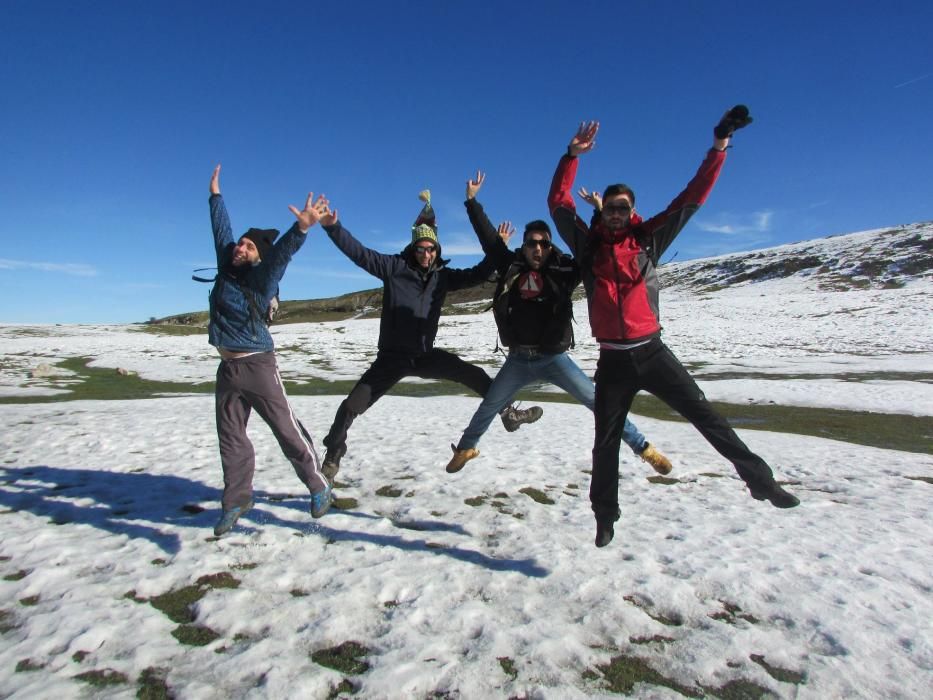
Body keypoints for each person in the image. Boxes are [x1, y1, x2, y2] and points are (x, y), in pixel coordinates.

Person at [547, 107, 800, 548]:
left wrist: (720, 144)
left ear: (633, 211)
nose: (616, 214)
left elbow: (692, 197)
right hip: (613, 360)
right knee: (605, 441)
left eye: (623, 208)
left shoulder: (649, 239)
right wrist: (572, 155)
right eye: (610, 208)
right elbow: (559, 204)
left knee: (708, 419)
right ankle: (605, 515)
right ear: (603, 210)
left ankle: (762, 482)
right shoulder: (587, 246)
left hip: (653, 354)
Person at [445, 172, 672, 476]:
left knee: (598, 403)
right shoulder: (511, 265)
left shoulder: (565, 269)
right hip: (518, 360)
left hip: (554, 359)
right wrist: (472, 202)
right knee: (489, 406)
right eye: (531, 244)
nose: (537, 249)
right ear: (523, 247)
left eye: (543, 243)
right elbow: (489, 240)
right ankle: (465, 449)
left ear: (550, 247)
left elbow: (592, 246)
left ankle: (644, 448)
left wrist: (597, 211)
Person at [318, 191, 543, 481]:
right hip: (392, 359)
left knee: (471, 373)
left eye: (431, 249)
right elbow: (360, 254)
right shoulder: (393, 268)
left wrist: (499, 246)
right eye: (421, 249)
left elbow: (479, 274)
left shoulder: (442, 277)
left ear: (437, 249)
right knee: (350, 407)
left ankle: (509, 414)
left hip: (424, 355)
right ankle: (334, 453)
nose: (426, 254)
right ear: (413, 248)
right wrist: (332, 227)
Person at [207, 165, 332, 536]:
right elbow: (221, 232)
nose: (239, 248)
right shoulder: (226, 268)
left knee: (284, 428)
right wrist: (216, 196)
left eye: (248, 246)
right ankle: (236, 500)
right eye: (240, 244)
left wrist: (302, 227)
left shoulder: (262, 279)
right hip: (227, 369)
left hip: (257, 365)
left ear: (257, 255)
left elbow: (279, 258)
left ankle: (318, 485)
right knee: (230, 437)